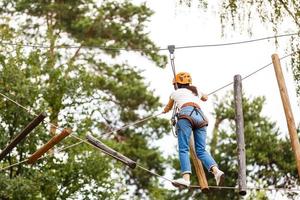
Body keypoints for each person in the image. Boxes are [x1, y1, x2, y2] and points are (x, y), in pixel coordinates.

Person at [163, 72, 224, 187]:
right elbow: (205, 97)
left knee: (183, 148)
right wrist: (201, 95)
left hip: (186, 116)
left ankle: (186, 179)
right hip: (200, 117)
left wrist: (164, 110)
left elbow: (168, 107)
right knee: (201, 150)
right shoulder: (195, 90)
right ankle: (217, 172)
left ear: (176, 84)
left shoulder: (174, 93)